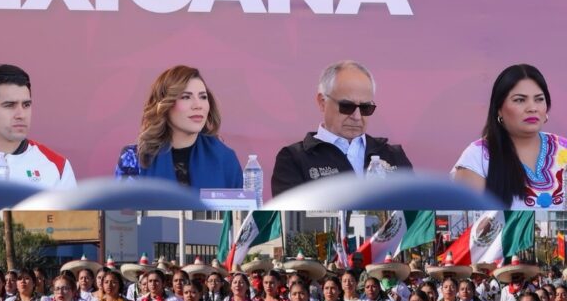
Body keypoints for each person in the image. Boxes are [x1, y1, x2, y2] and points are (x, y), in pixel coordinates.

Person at [271, 60, 412, 197]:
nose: (356, 116)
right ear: (322, 102)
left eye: (365, 108)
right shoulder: (294, 159)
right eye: (347, 106)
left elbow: (416, 214)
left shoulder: (393, 156)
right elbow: (291, 217)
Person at [452, 64, 565, 208]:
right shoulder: (477, 157)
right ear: (499, 109)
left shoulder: (564, 149)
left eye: (539, 99)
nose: (532, 108)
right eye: (519, 100)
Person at [114, 65, 243, 190]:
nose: (198, 105)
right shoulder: (134, 158)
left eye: (203, 97)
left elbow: (241, 210)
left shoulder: (225, 158)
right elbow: (122, 211)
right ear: (165, 105)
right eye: (186, 97)